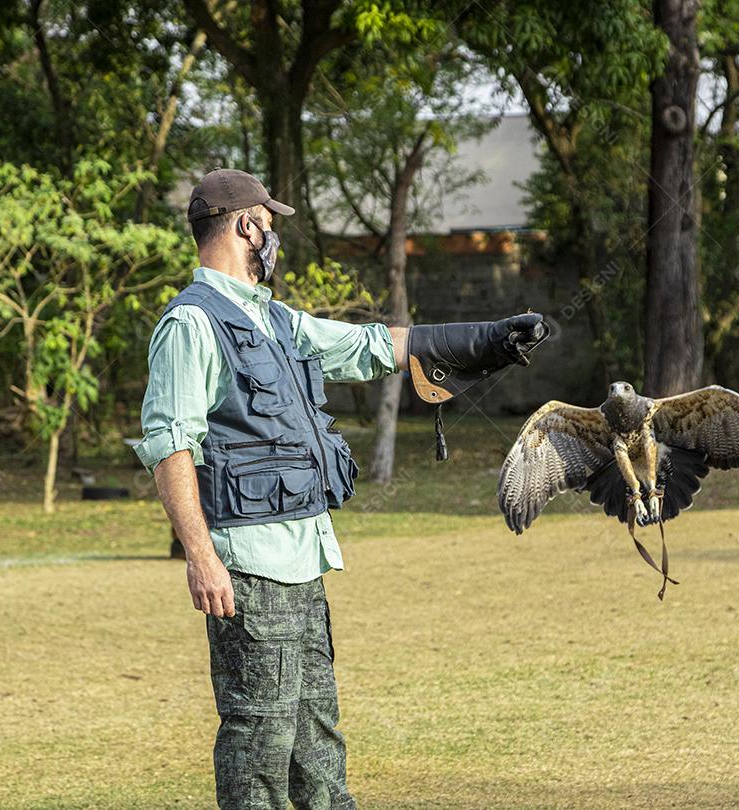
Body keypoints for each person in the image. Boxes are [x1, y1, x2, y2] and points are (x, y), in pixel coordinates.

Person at [135, 168, 545, 810]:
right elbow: (170, 445)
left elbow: (372, 345)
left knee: (316, 741)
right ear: (247, 226)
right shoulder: (191, 325)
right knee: (259, 746)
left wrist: (486, 340)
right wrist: (201, 557)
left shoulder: (274, 320)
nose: (275, 240)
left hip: (304, 560)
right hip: (248, 567)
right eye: (270, 226)